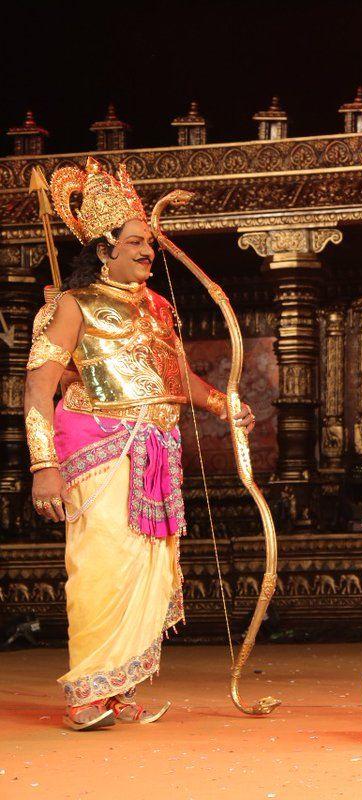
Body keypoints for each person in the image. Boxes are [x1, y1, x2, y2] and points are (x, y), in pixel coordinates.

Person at [26, 157, 254, 730]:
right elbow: (38, 383)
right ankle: (86, 693)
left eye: (148, 243)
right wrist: (42, 464)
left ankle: (120, 687)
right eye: (134, 242)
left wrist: (225, 405)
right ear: (103, 249)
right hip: (97, 446)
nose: (147, 251)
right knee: (102, 565)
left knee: (147, 565)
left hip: (156, 448)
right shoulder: (73, 305)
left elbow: (178, 374)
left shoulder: (158, 307)